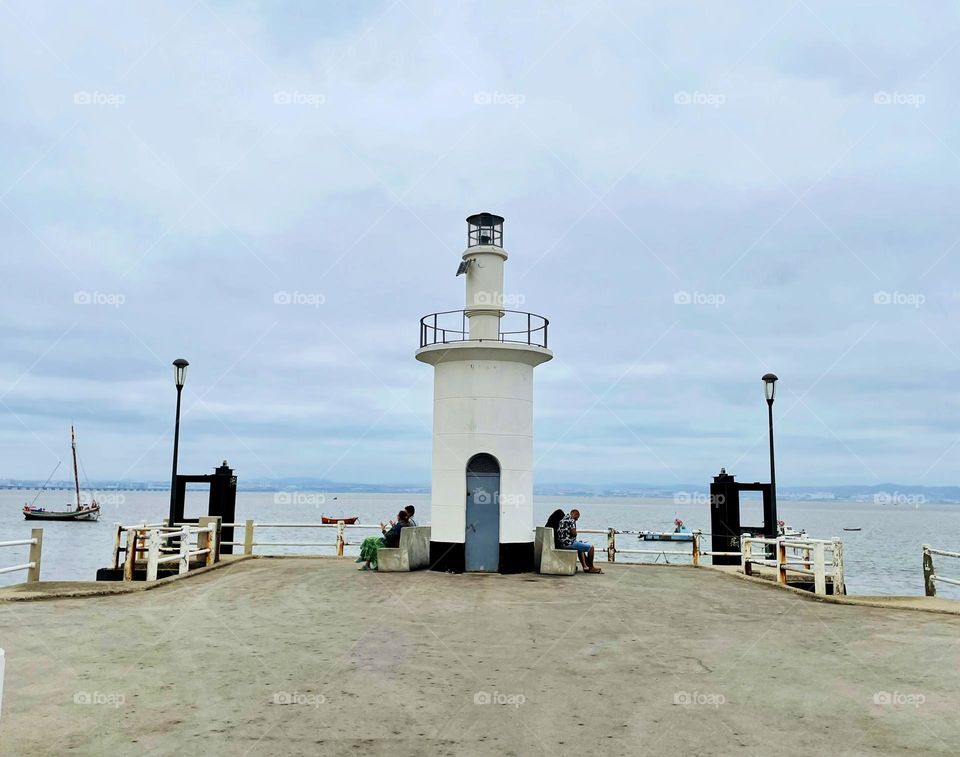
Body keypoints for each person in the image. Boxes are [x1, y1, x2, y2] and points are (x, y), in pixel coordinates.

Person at [556, 508, 601, 573]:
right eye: (577, 517)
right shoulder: (571, 519)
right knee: (591, 547)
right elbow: (573, 533)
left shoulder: (563, 519)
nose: (577, 519)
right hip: (569, 543)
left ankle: (585, 567)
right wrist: (575, 533)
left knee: (580, 545)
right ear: (575, 514)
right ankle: (591, 567)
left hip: (562, 543)